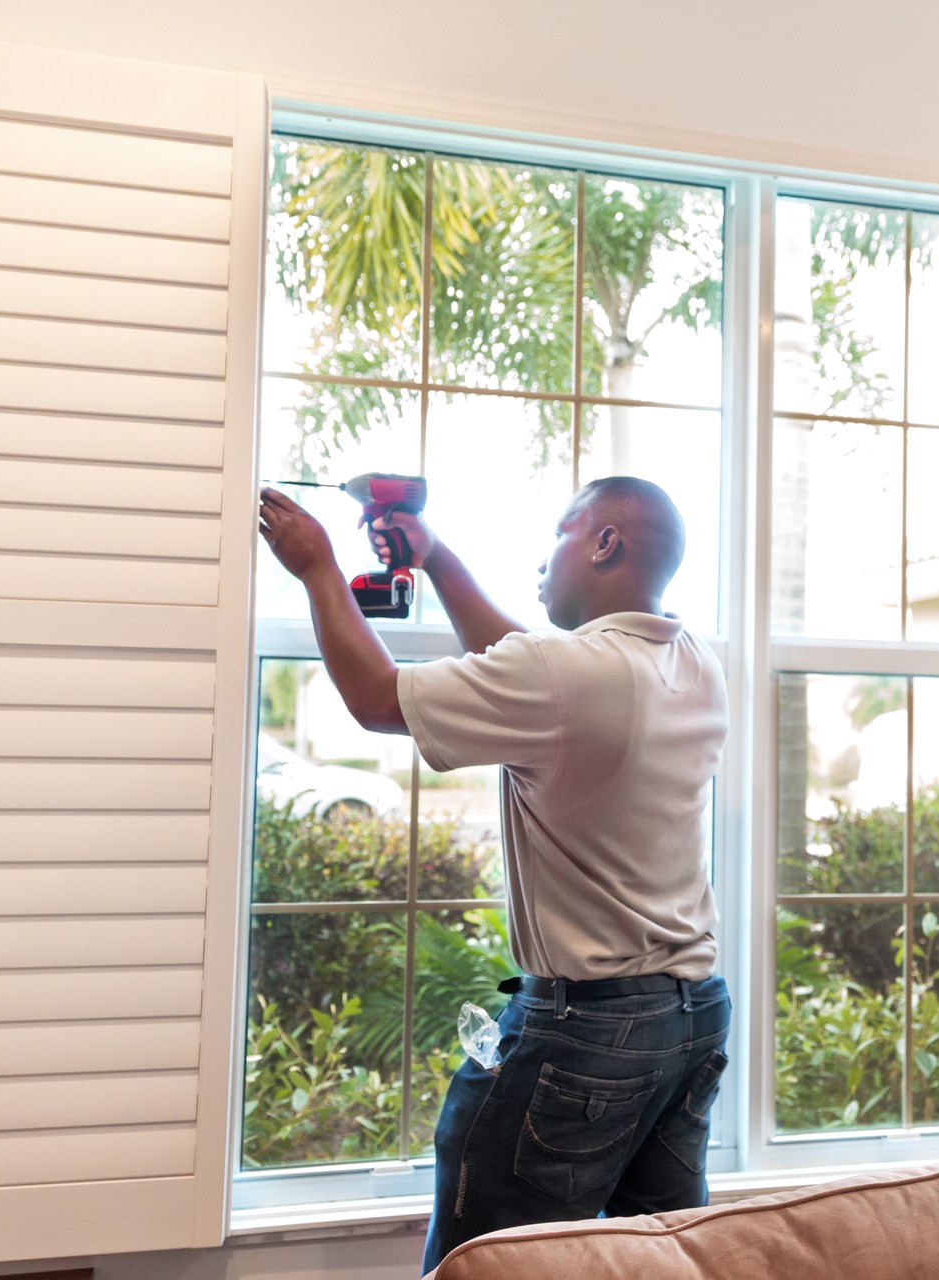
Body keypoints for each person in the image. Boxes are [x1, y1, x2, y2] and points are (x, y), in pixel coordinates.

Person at [257, 476, 730, 1273]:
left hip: (591, 1033)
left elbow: (377, 699)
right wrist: (436, 558)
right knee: (660, 1260)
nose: (544, 559)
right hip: (688, 1018)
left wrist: (318, 571)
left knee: (495, 1258)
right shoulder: (691, 663)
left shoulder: (566, 673)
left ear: (604, 543)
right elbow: (528, 663)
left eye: (560, 532)